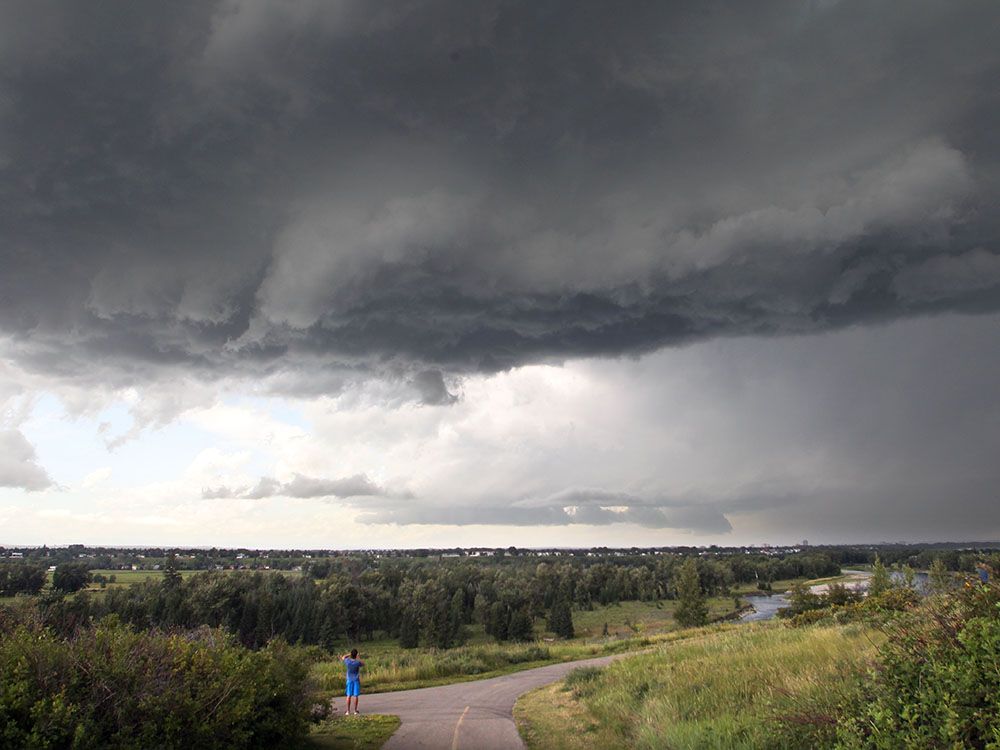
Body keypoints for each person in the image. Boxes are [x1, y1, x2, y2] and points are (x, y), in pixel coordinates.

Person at [341, 648, 365, 716]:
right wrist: (358, 657)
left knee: (348, 695)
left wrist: (349, 654)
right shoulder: (357, 662)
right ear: (356, 655)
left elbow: (343, 657)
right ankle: (355, 710)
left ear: (351, 655)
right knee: (356, 695)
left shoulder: (348, 661)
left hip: (349, 680)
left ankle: (348, 711)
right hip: (356, 680)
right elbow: (363, 663)